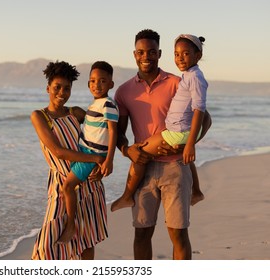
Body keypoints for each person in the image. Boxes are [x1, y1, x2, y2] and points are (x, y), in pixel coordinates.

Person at [113, 29, 212, 260]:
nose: (145, 56)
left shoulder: (178, 82)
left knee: (178, 234)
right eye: (140, 52)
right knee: (141, 234)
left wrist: (187, 144)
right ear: (134, 54)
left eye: (151, 52)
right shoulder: (124, 91)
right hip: (143, 170)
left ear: (159, 53)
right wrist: (127, 151)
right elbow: (119, 133)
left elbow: (205, 118)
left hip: (175, 167)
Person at [30, 60, 108, 260]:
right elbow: (58, 151)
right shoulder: (39, 116)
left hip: (89, 184)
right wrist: (96, 158)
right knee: (46, 247)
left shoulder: (75, 113)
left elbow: (104, 128)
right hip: (61, 185)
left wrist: (105, 161)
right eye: (57, 87)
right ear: (48, 88)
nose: (62, 93)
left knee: (87, 242)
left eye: (67, 88)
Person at [57, 61, 118, 244]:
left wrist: (109, 160)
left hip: (90, 154)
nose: (96, 85)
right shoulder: (95, 104)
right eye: (92, 81)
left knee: (67, 186)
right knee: (71, 185)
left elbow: (113, 131)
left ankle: (71, 225)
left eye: (102, 81)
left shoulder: (108, 104)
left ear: (111, 84)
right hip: (83, 150)